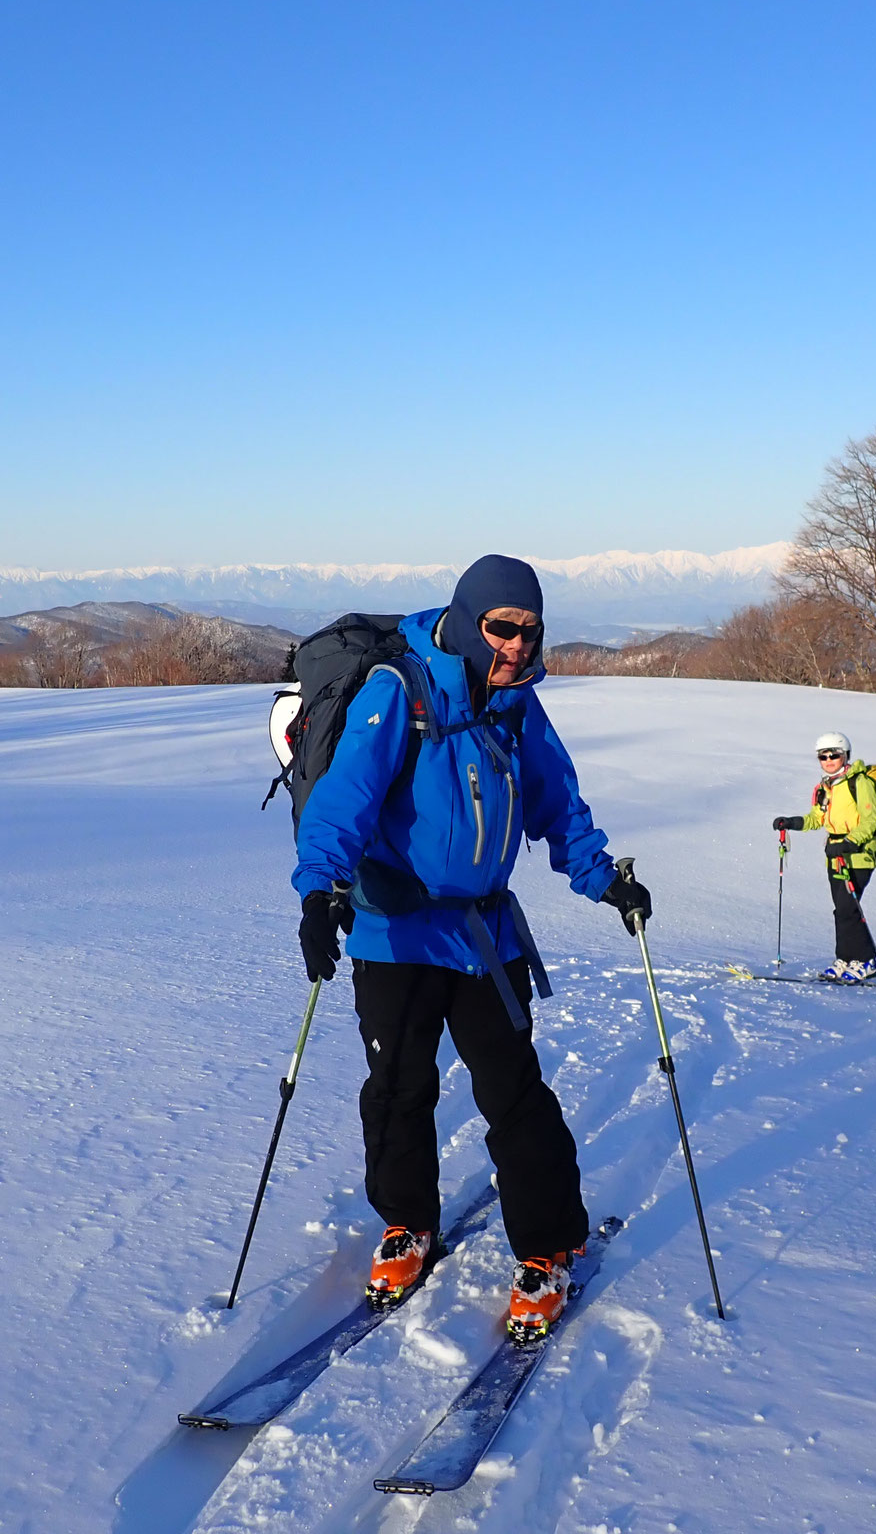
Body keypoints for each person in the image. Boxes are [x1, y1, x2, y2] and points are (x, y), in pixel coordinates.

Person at [292, 554, 650, 1342]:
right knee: (396, 1086)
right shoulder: (399, 690)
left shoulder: (517, 704)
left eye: (530, 629)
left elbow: (558, 800)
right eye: (502, 627)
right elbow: (344, 799)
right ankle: (407, 1223)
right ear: (468, 618)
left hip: (484, 935)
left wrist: (601, 877)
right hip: (395, 930)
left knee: (514, 1092)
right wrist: (318, 892)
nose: (518, 643)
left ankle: (550, 1243)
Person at [772, 731, 876, 982]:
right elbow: (816, 818)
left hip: (859, 854)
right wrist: (791, 822)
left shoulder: (860, 782)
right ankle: (845, 958)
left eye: (835, 755)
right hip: (834, 854)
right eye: (824, 756)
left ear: (846, 756)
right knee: (841, 909)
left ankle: (867, 960)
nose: (829, 760)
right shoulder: (825, 787)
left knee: (848, 908)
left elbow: (870, 821)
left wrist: (848, 843)